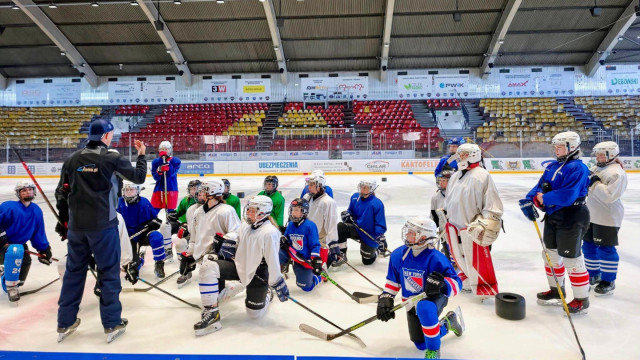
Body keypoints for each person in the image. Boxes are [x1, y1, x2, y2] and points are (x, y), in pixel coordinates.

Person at [55, 119, 147, 343]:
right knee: (108, 273)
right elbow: (139, 178)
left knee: (73, 274)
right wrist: (142, 155)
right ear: (106, 136)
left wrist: (65, 222)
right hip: (103, 227)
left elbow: (61, 193)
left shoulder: (72, 159)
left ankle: (65, 322)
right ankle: (111, 323)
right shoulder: (111, 157)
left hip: (77, 228)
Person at [193, 195, 288, 336]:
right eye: (248, 209)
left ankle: (267, 293)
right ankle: (212, 313)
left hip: (258, 273)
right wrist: (226, 241)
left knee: (254, 314)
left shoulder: (270, 233)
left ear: (263, 212)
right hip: (240, 266)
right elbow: (237, 235)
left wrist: (277, 281)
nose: (248, 213)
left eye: (252, 210)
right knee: (208, 267)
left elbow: (273, 261)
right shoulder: (246, 225)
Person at [519, 131, 590, 314]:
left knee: (572, 259)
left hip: (572, 215)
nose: (556, 150)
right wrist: (530, 199)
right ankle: (556, 291)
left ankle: (582, 299)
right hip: (553, 215)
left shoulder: (578, 168)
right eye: (556, 147)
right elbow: (540, 186)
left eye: (560, 147)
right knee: (550, 255)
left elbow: (568, 195)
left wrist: (545, 198)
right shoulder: (552, 166)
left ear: (571, 147)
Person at [377, 216, 464, 359]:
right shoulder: (399, 255)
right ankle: (448, 323)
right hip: (410, 303)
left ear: (423, 237)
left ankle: (434, 351)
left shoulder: (436, 258)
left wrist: (443, 285)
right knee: (421, 344)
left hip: (434, 299)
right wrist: (386, 297)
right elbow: (393, 282)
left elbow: (457, 282)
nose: (407, 234)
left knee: (424, 308)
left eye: (411, 232)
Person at [443, 143, 503, 298]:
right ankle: (467, 277)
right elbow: (449, 199)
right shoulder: (456, 175)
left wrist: (488, 222)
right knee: (459, 254)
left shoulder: (482, 175)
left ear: (474, 155)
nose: (461, 157)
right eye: (460, 154)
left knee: (474, 256)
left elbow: (491, 202)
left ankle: (480, 284)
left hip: (472, 226)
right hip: (455, 225)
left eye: (464, 154)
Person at [179, 179, 241, 295]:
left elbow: (237, 232)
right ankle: (219, 295)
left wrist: (222, 240)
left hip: (219, 256)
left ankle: (236, 287)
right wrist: (190, 253)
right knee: (214, 291)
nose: (200, 192)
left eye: (204, 190)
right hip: (202, 257)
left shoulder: (226, 211)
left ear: (212, 192)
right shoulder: (198, 212)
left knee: (214, 291)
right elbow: (194, 236)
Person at [582, 141, 627, 296]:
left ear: (612, 154)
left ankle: (608, 280)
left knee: (606, 248)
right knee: (587, 246)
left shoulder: (616, 173)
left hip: (608, 216)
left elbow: (609, 196)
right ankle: (594, 274)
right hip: (591, 214)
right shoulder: (597, 168)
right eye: (598, 154)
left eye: (603, 154)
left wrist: (595, 183)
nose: (599, 157)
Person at [0, 180, 52, 303]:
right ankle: (11, 286)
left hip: (18, 248)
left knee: (20, 280)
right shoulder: (8, 206)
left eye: (30, 189)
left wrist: (44, 249)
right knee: (15, 250)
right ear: (18, 194)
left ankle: (7, 278)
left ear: (34, 191)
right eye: (23, 190)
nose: (27, 192)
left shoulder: (36, 210)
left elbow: (38, 232)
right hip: (3, 246)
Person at [117, 181, 170, 279]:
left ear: (137, 191)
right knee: (131, 267)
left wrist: (155, 222)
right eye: (126, 190)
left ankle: (159, 263)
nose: (128, 192)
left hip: (143, 235)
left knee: (156, 237)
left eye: (131, 190)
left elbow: (155, 220)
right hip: (128, 239)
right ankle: (140, 259)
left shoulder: (144, 202)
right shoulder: (119, 203)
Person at [335, 179, 387, 266]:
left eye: (365, 187)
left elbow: (380, 224)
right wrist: (347, 214)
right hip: (356, 228)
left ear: (371, 189)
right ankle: (342, 254)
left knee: (367, 261)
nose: (362, 189)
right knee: (341, 227)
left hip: (369, 233)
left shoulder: (377, 204)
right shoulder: (355, 197)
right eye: (361, 186)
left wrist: (378, 235)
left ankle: (377, 250)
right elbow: (350, 210)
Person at [279, 198, 322, 291]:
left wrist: (316, 260)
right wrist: (283, 239)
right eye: (293, 209)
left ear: (304, 212)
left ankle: (317, 278)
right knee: (275, 253)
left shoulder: (310, 225)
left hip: (303, 259)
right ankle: (275, 275)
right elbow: (286, 237)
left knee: (305, 286)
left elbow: (315, 245)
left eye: (297, 210)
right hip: (292, 253)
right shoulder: (290, 224)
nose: (294, 212)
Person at [302, 172, 339, 268]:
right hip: (307, 236)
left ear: (320, 186)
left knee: (319, 272)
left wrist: (333, 242)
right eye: (309, 184)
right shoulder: (307, 197)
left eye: (312, 184)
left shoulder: (328, 202)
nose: (309, 187)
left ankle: (327, 259)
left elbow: (331, 223)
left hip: (320, 239)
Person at [174, 182, 207, 287]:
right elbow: (191, 229)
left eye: (203, 194)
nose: (200, 196)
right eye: (198, 194)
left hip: (210, 242)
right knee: (180, 244)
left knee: (207, 266)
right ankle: (185, 271)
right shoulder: (191, 209)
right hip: (195, 239)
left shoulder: (218, 209)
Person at [150, 141, 181, 212]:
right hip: (159, 188)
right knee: (153, 210)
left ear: (170, 150)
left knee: (170, 211)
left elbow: (171, 174)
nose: (163, 151)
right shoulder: (155, 162)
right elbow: (156, 177)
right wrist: (160, 171)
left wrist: (167, 162)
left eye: (166, 149)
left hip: (171, 188)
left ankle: (170, 223)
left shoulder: (176, 161)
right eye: (162, 149)